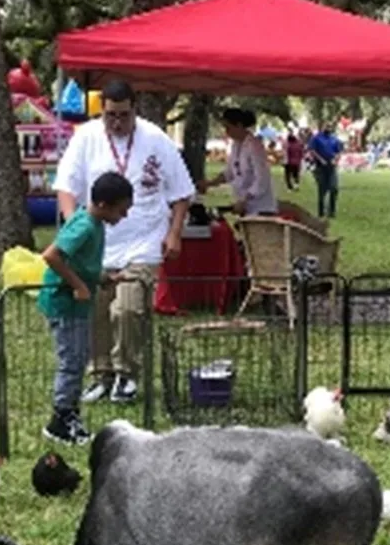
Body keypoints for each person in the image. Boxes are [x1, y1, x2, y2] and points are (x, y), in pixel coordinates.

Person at [54, 78, 194, 405]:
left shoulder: (156, 139)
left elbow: (182, 192)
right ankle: (102, 374)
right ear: (101, 111)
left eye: (124, 115)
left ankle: (127, 374)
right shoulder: (86, 137)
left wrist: (174, 233)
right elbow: (66, 186)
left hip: (143, 241)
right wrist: (75, 227)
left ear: (135, 109)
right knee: (97, 310)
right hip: (99, 243)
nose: (117, 122)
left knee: (127, 309)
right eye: (110, 115)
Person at [38, 171, 134, 445]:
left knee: (79, 359)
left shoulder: (94, 223)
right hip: (64, 303)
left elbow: (82, 261)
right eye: (121, 210)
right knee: (72, 362)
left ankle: (70, 414)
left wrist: (102, 277)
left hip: (76, 305)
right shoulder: (85, 226)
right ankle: (60, 420)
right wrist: (79, 286)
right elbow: (52, 256)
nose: (123, 216)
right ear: (103, 205)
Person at [198, 107, 278, 215]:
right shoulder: (236, 145)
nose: (226, 132)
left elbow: (261, 180)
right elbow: (229, 173)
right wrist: (209, 183)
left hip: (261, 208)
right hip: (245, 207)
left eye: (228, 127)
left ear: (239, 126)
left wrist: (245, 199)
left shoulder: (254, 146)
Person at [307, 122, 343, 219]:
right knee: (322, 189)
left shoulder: (334, 139)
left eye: (330, 127)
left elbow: (339, 152)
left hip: (331, 166)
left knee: (334, 188)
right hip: (320, 166)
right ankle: (321, 211)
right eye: (327, 126)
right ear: (323, 127)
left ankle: (331, 211)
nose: (328, 128)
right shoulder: (316, 138)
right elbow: (312, 150)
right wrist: (320, 159)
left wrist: (336, 160)